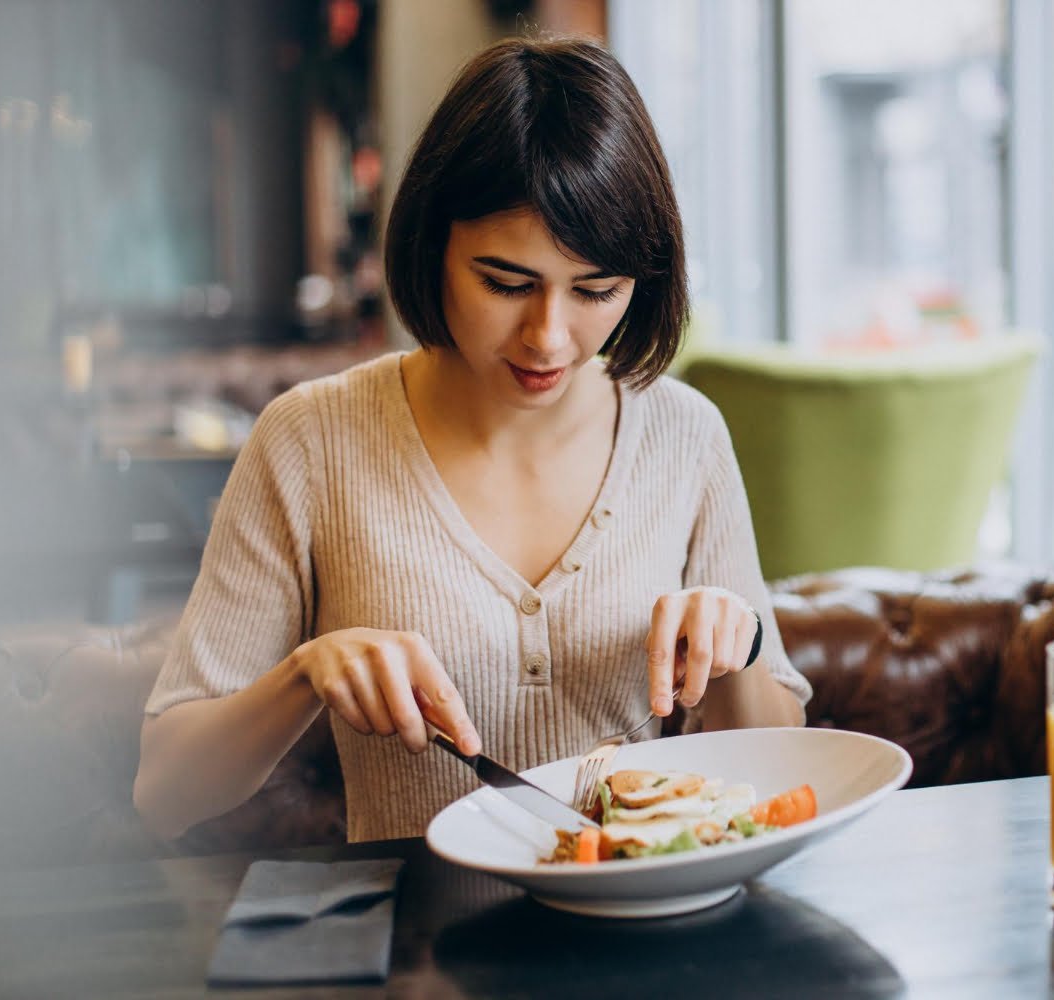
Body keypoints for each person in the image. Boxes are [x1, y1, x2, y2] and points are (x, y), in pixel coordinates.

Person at [132, 36, 810, 844]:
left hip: (645, 946)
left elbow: (785, 768)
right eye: (506, 283)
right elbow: (165, 789)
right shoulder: (310, 440)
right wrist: (306, 672)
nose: (549, 337)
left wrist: (741, 646)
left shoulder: (685, 435)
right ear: (433, 243)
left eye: (597, 290)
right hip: (423, 948)